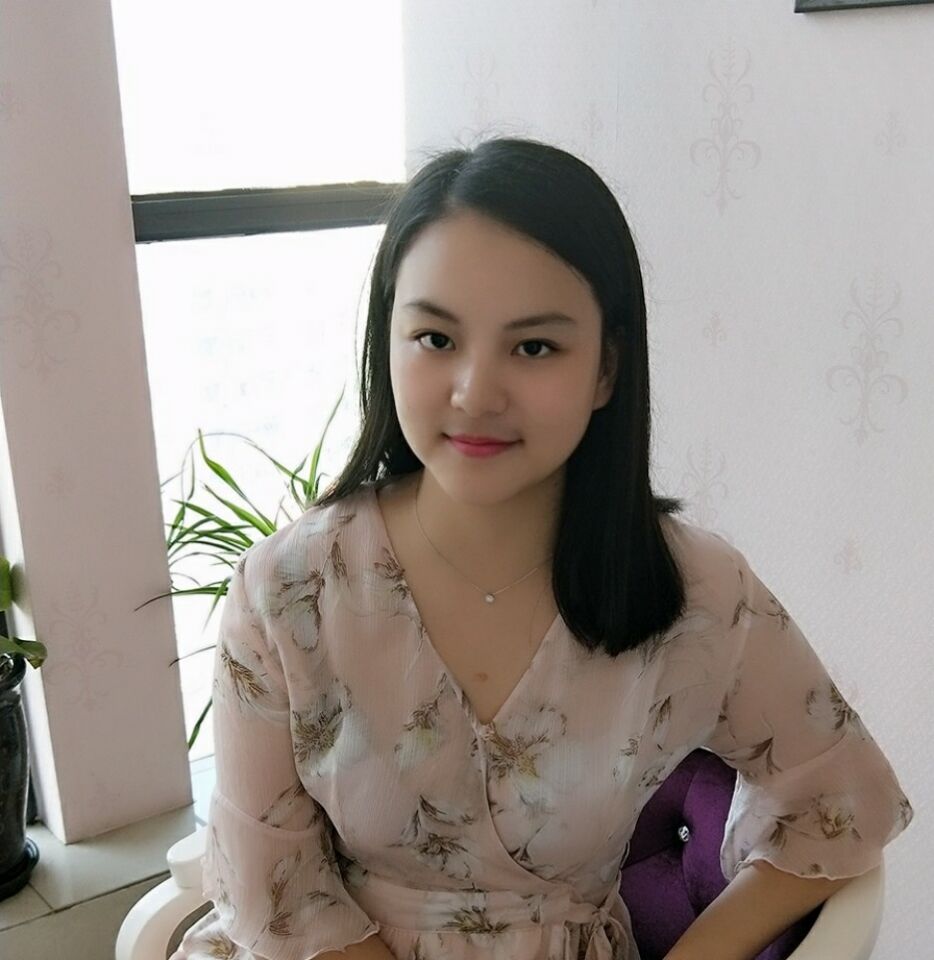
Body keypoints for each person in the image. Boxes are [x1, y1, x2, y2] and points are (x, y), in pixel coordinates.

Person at [170, 136, 914, 960]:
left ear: (606, 370)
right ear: (387, 340)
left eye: (534, 347)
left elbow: (841, 799)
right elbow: (274, 889)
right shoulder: (289, 590)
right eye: (436, 338)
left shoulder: (695, 589)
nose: (474, 393)